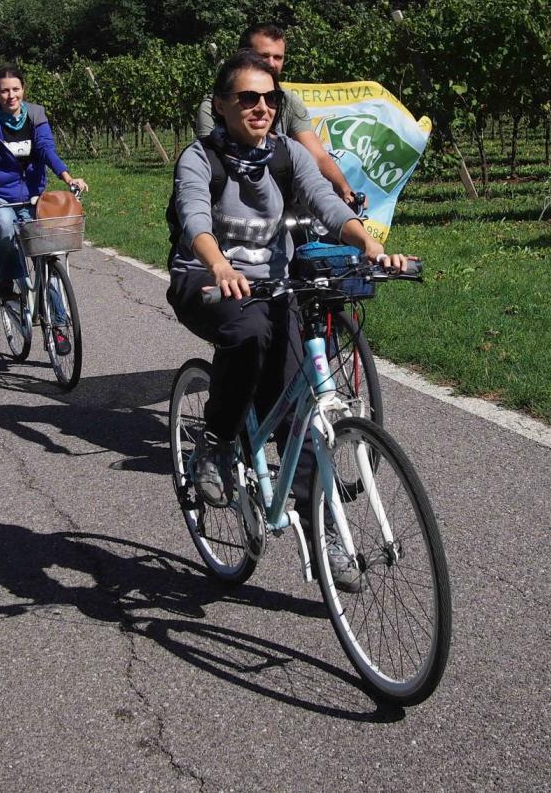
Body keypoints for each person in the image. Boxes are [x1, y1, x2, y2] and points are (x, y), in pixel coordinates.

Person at [168, 50, 409, 591]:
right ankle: (216, 443)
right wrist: (220, 264)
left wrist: (368, 245)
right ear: (221, 105)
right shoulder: (200, 158)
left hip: (274, 282)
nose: (262, 107)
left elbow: (326, 203)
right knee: (250, 333)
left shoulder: (287, 154)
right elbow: (194, 217)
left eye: (270, 98)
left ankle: (325, 533)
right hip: (206, 279)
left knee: (302, 404)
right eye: (248, 98)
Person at [194, 23, 356, 206]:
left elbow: (317, 155)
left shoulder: (289, 102)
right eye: (263, 56)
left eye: (278, 57)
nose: (271, 63)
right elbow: (210, 162)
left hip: (280, 200)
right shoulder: (215, 106)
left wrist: (345, 189)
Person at [0, 65, 88, 308]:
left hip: (34, 199)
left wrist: (68, 178)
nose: (11, 95)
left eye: (16, 89)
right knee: (5, 225)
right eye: (4, 91)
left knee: (46, 252)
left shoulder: (36, 115)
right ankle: (6, 281)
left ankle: (59, 320)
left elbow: (47, 149)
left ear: (23, 89)